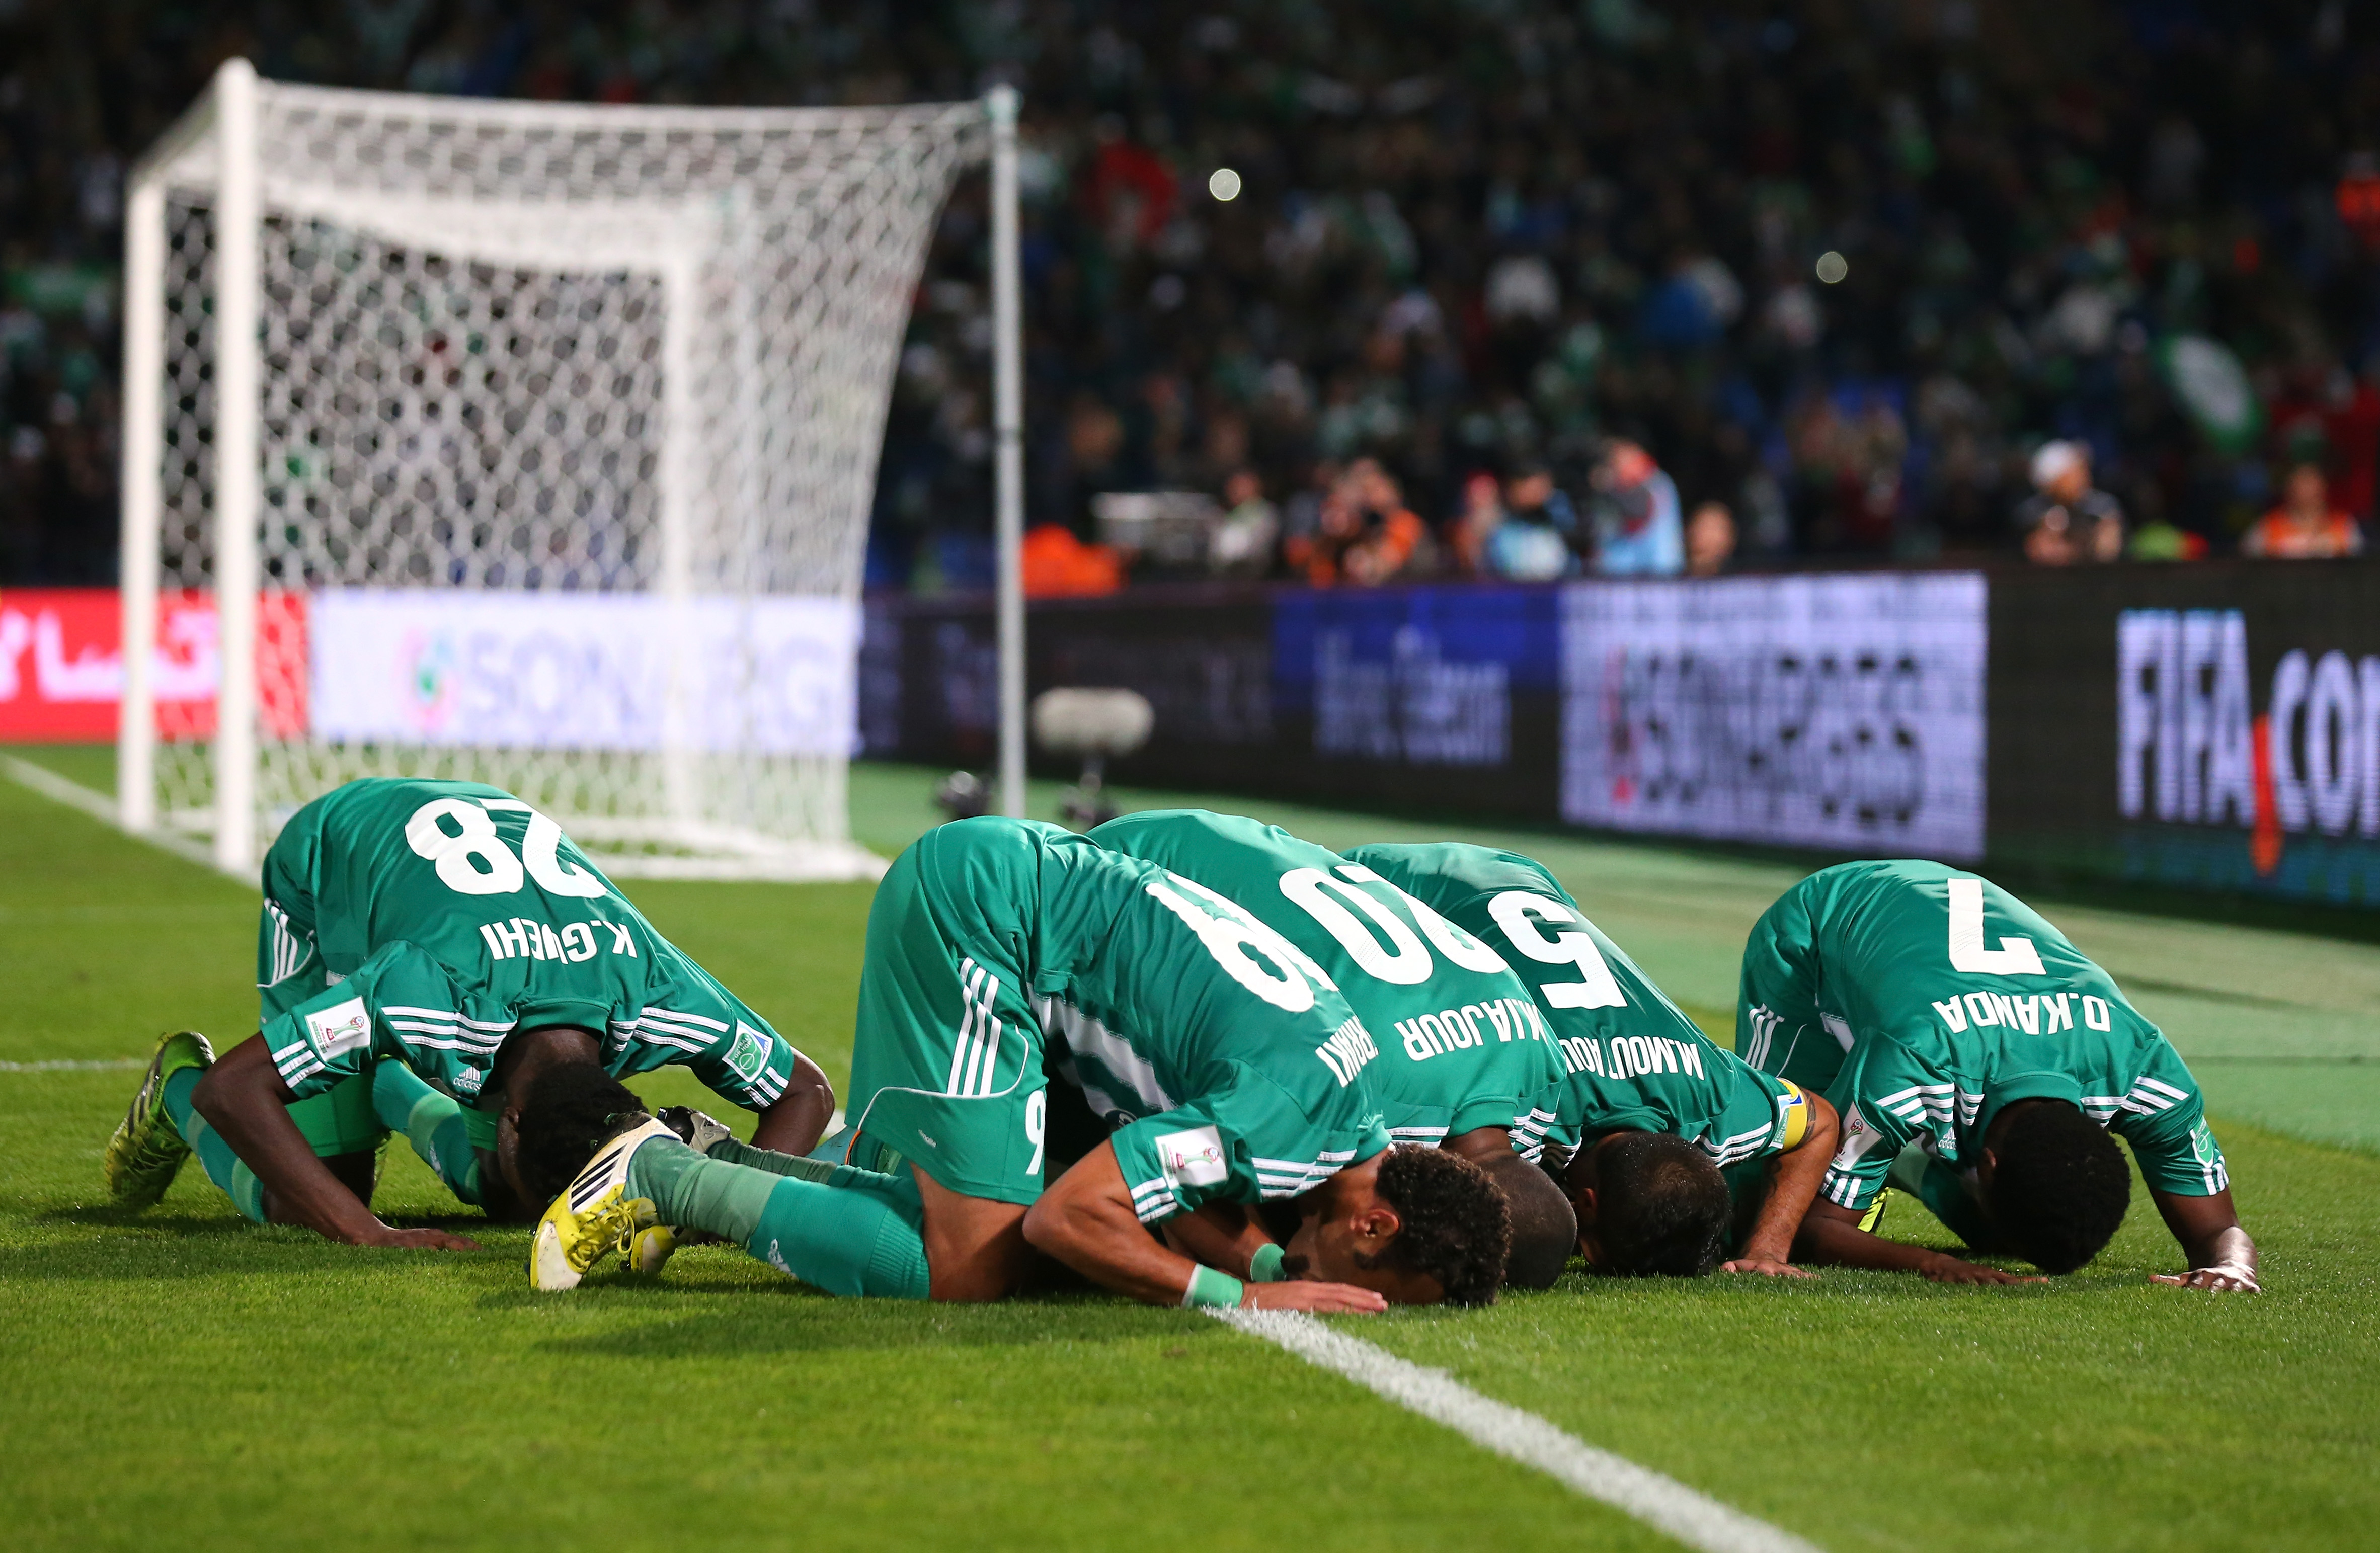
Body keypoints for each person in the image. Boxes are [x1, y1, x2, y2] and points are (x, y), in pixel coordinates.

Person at [524, 816, 1510, 1310]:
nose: (1351, 1301)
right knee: (970, 1262)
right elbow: (1073, 1212)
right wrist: (1243, 1295)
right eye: (1370, 1291)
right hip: (990, 923)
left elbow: (1178, 1183)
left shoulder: (1349, 1111)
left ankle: (705, 1155)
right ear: (1374, 1223)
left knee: (935, 1206)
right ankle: (659, 1174)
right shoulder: (1287, 1116)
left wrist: (1258, 1257)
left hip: (1023, 894)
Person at [101, 777, 832, 1249]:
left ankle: (377, 1081)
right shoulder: (428, 996)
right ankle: (174, 1090)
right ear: (510, 1121)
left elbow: (806, 1090)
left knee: (512, 1203)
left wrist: (720, 1214)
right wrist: (368, 1232)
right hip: (333, 865)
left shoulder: (657, 997)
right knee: (316, 1196)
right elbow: (240, 1088)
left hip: (485, 905)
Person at [1087, 809, 1573, 1286]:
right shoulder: (1365, 1085)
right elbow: (1189, 1153)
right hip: (1128, 877)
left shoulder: (1543, 1070)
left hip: (1226, 843)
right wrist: (1262, 1263)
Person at [1737, 861, 2257, 1290]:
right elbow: (1813, 1227)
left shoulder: (2143, 1067)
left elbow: (2219, 1230)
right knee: (1758, 1200)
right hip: (1821, 928)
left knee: (2008, 1227)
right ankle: (1884, 1153)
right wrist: (1933, 1263)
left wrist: (2232, 1267)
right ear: (1982, 1165)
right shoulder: (1913, 1067)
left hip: (1940, 979)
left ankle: (1904, 1162)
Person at [1350, 843, 1838, 1281]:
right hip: (1382, 891)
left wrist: (1767, 1250)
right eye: (1585, 1243)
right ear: (1584, 1203)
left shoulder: (1714, 1096)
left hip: (1522, 878)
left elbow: (1818, 1123)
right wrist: (1768, 1248)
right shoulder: (1530, 1096)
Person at [2013, 440, 2123, 565]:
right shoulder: (2031, 512)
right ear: (2052, 481)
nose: (2084, 477)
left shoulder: (2102, 506)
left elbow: (2108, 553)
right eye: (2075, 471)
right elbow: (2042, 554)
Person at [1586, 440, 1684, 576]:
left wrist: (1608, 486)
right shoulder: (1614, 488)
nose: (1615, 464)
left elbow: (1638, 510)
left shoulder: (1656, 483)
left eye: (1620, 457)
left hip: (1656, 575)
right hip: (1614, 576)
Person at [2241, 463, 2364, 558]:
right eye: (2301, 483)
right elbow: (2247, 566)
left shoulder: (2343, 526)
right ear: (2289, 489)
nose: (2307, 490)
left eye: (2312, 483)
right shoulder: (2268, 527)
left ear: (2323, 487)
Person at [1209, 468, 1280, 576]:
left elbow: (1258, 546)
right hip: (1220, 574)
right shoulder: (1220, 512)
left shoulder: (1266, 513)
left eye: (1242, 486)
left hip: (1254, 573)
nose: (1236, 491)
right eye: (1233, 487)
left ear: (1256, 488)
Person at [1685, 500, 1737, 576]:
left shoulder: (1743, 580)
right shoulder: (1670, 578)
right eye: (1703, 527)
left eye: (1716, 528)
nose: (1709, 537)